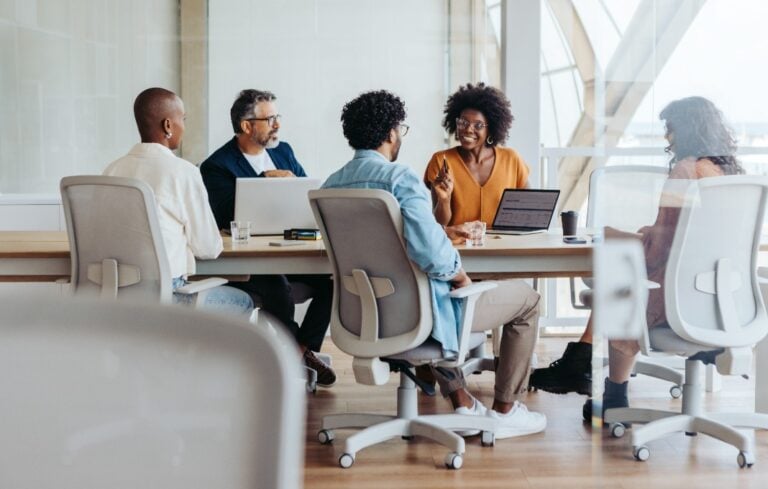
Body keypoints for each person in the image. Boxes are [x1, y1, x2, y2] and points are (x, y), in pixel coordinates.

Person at [322, 90, 546, 439]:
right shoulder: (399, 178)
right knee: (528, 300)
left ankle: (463, 401)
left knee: (445, 291)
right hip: (418, 314)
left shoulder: (330, 186)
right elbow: (432, 252)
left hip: (363, 317)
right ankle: (505, 410)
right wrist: (460, 275)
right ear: (390, 134)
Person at [529, 96, 744, 418]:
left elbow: (661, 249)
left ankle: (613, 394)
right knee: (620, 281)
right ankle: (581, 361)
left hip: (678, 298)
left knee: (619, 288)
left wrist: (617, 235)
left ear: (687, 130)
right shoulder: (731, 175)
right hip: (723, 300)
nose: (667, 137)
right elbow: (685, 241)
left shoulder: (686, 172)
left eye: (670, 129)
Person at [200, 89, 335, 387]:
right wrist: (263, 182)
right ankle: (297, 357)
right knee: (278, 287)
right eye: (269, 118)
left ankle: (298, 352)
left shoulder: (283, 151)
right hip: (250, 261)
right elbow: (222, 215)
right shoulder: (217, 166)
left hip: (293, 249)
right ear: (247, 125)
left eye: (277, 117)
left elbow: (307, 195)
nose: (277, 125)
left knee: (334, 281)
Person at [103, 87, 253, 316]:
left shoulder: (112, 170)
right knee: (244, 302)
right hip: (167, 297)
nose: (184, 126)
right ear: (167, 126)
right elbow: (208, 248)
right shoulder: (182, 172)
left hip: (117, 297)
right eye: (182, 119)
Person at [423, 82, 529, 227]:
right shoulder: (441, 161)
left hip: (503, 246)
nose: (468, 129)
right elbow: (440, 225)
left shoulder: (511, 159)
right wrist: (445, 201)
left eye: (478, 125)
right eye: (463, 122)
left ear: (490, 129)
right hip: (459, 248)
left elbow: (531, 210)